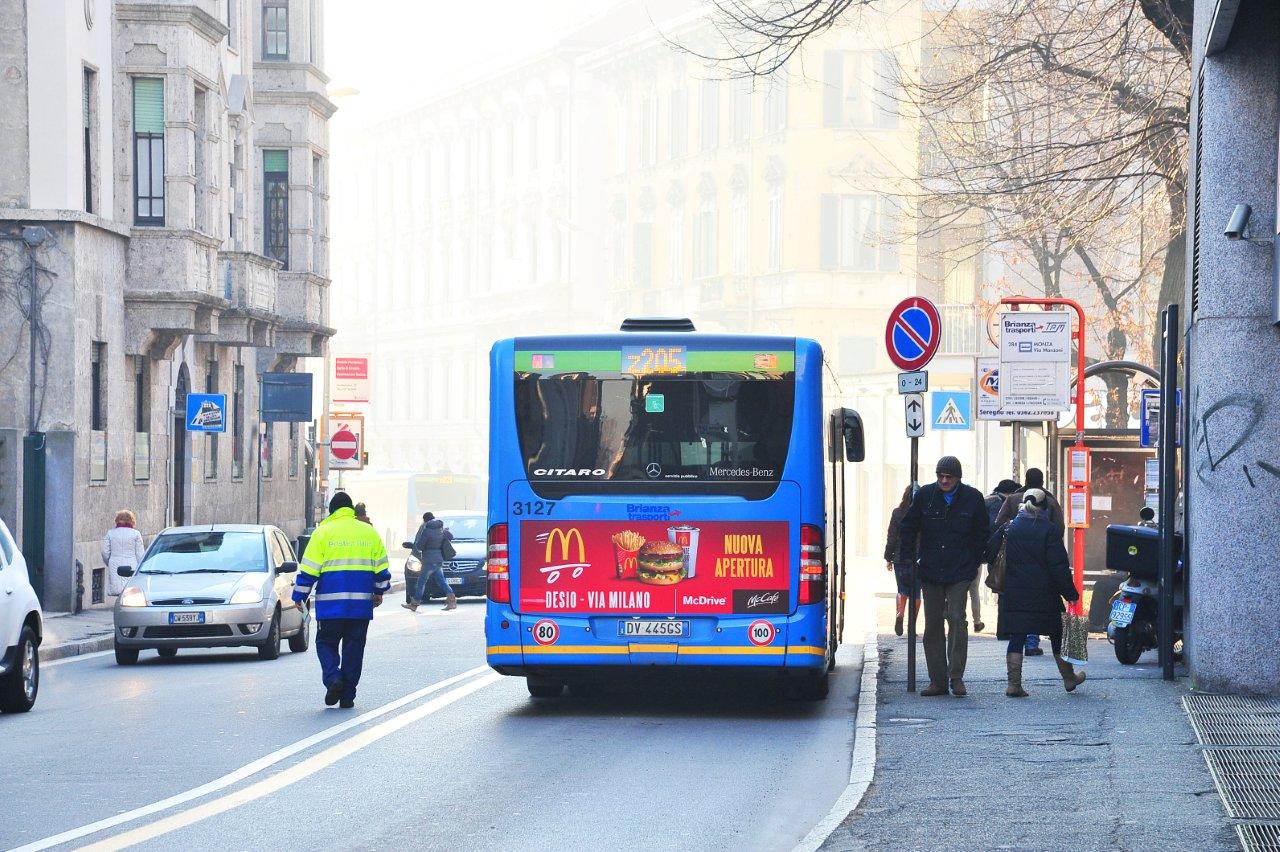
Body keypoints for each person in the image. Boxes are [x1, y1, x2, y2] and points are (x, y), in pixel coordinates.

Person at [898, 456, 990, 697]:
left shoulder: (972, 498)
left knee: (957, 619)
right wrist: (908, 559)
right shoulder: (926, 496)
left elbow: (982, 533)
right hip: (930, 569)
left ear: (958, 477)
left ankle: (955, 676)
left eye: (949, 477)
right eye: (941, 476)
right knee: (933, 625)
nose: (944, 480)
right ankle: (937, 680)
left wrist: (974, 562)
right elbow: (908, 527)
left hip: (960, 570)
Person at [293, 492, 391, 709]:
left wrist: (299, 595)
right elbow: (382, 570)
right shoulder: (369, 533)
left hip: (331, 607)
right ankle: (347, 696)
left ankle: (333, 678)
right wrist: (379, 592)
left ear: (332, 511)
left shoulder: (322, 533)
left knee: (326, 644)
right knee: (354, 649)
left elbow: (308, 571)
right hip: (360, 606)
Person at [987, 488, 1085, 697]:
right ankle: (1069, 678)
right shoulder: (1049, 530)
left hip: (1015, 592)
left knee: (1017, 637)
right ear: (1044, 507)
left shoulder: (1009, 527)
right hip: (1045, 594)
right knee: (1057, 635)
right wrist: (1070, 593)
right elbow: (1058, 566)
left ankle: (1014, 684)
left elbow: (989, 552)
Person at [994, 469, 1065, 656]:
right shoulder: (1050, 501)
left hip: (1015, 564)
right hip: (1043, 566)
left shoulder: (1012, 500)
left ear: (1025, 480)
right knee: (1040, 609)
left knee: (1020, 612)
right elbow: (1059, 529)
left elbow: (998, 524)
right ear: (1042, 481)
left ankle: (1013, 683)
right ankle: (1036, 647)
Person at [972, 479, 1021, 632]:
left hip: (976, 551)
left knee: (970, 585)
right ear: (1009, 493)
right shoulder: (999, 504)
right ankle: (1000, 627)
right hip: (997, 551)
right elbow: (997, 527)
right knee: (1000, 589)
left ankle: (966, 617)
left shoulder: (985, 500)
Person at [883, 485, 920, 637]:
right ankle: (912, 626)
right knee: (917, 593)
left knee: (902, 589)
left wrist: (888, 557)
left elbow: (891, 535)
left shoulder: (897, 513)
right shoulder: (923, 513)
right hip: (919, 558)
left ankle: (900, 613)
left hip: (900, 557)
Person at [403, 512, 456, 612]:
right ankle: (452, 601)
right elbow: (451, 536)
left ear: (425, 520)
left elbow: (419, 546)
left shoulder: (426, 531)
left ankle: (414, 603)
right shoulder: (441, 529)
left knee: (421, 582)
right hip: (439, 559)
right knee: (441, 581)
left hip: (429, 560)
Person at [102, 510, 146, 599]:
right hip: (131, 563)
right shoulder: (136, 534)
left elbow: (105, 552)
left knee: (118, 590)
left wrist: (109, 562)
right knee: (130, 590)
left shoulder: (110, 533)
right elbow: (140, 554)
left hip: (115, 563)